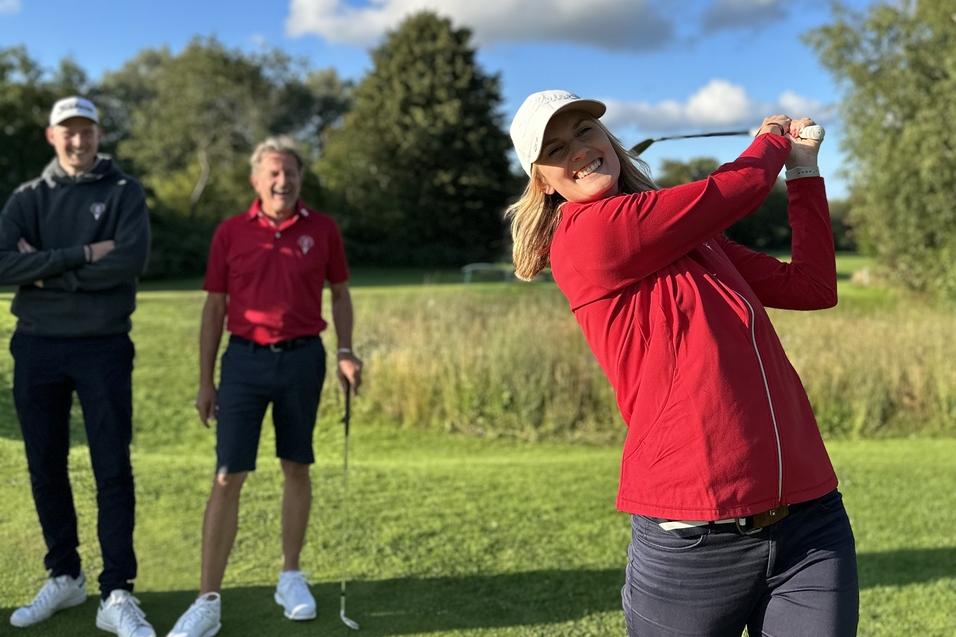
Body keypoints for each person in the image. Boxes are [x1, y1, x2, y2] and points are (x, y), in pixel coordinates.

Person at [507, 90, 858, 636]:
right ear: (544, 181)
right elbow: (738, 188)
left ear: (608, 140)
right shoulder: (586, 234)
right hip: (694, 536)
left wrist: (805, 172)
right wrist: (770, 141)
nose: (577, 150)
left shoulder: (698, 242)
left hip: (809, 518)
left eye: (584, 132)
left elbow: (812, 288)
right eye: (555, 149)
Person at [167, 135, 362, 637]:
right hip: (243, 363)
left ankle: (290, 576)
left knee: (296, 465)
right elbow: (214, 307)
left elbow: (340, 294)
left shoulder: (322, 229)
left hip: (302, 359)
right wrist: (205, 381)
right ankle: (207, 599)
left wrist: (345, 350)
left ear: (300, 178)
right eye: (273, 173)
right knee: (227, 475)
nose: (282, 181)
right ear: (256, 180)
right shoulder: (231, 232)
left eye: (290, 172)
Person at [0, 96, 154, 637]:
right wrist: (80, 255)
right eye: (68, 131)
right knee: (45, 464)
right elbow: (1, 264)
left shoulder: (124, 192)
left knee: (111, 466)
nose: (78, 140)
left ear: (98, 134)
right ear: (52, 137)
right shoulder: (28, 197)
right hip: (37, 346)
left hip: (102, 345)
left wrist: (40, 271)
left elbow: (128, 261)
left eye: (86, 130)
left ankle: (116, 590)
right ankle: (64, 575)